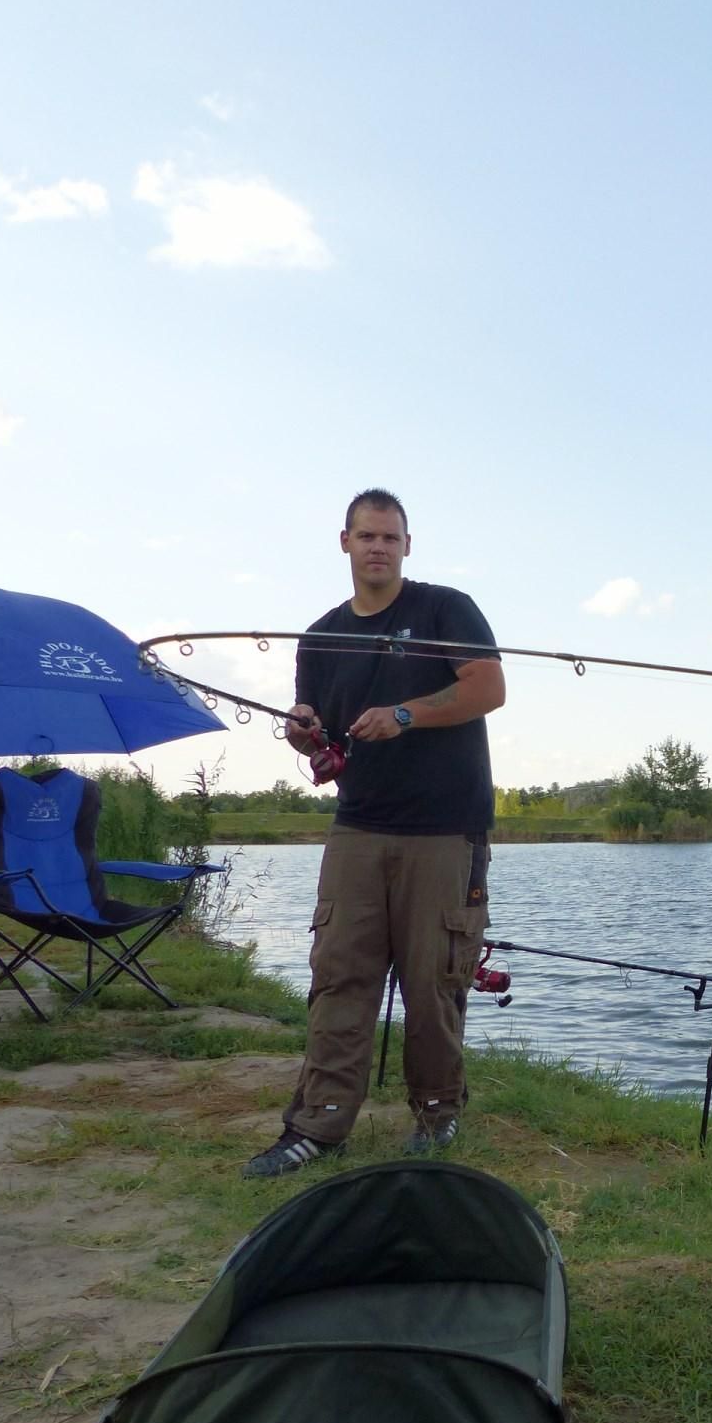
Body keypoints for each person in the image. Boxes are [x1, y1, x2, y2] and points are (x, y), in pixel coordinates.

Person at [243, 489, 506, 1178]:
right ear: (345, 543)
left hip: (447, 829)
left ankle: (437, 1114)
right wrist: (303, 731)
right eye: (366, 536)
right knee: (340, 977)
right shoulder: (321, 635)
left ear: (407, 545)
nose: (378, 548)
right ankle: (317, 1126)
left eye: (390, 537)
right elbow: (317, 734)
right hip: (357, 827)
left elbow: (487, 688)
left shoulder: (445, 608)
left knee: (434, 982)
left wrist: (406, 714)